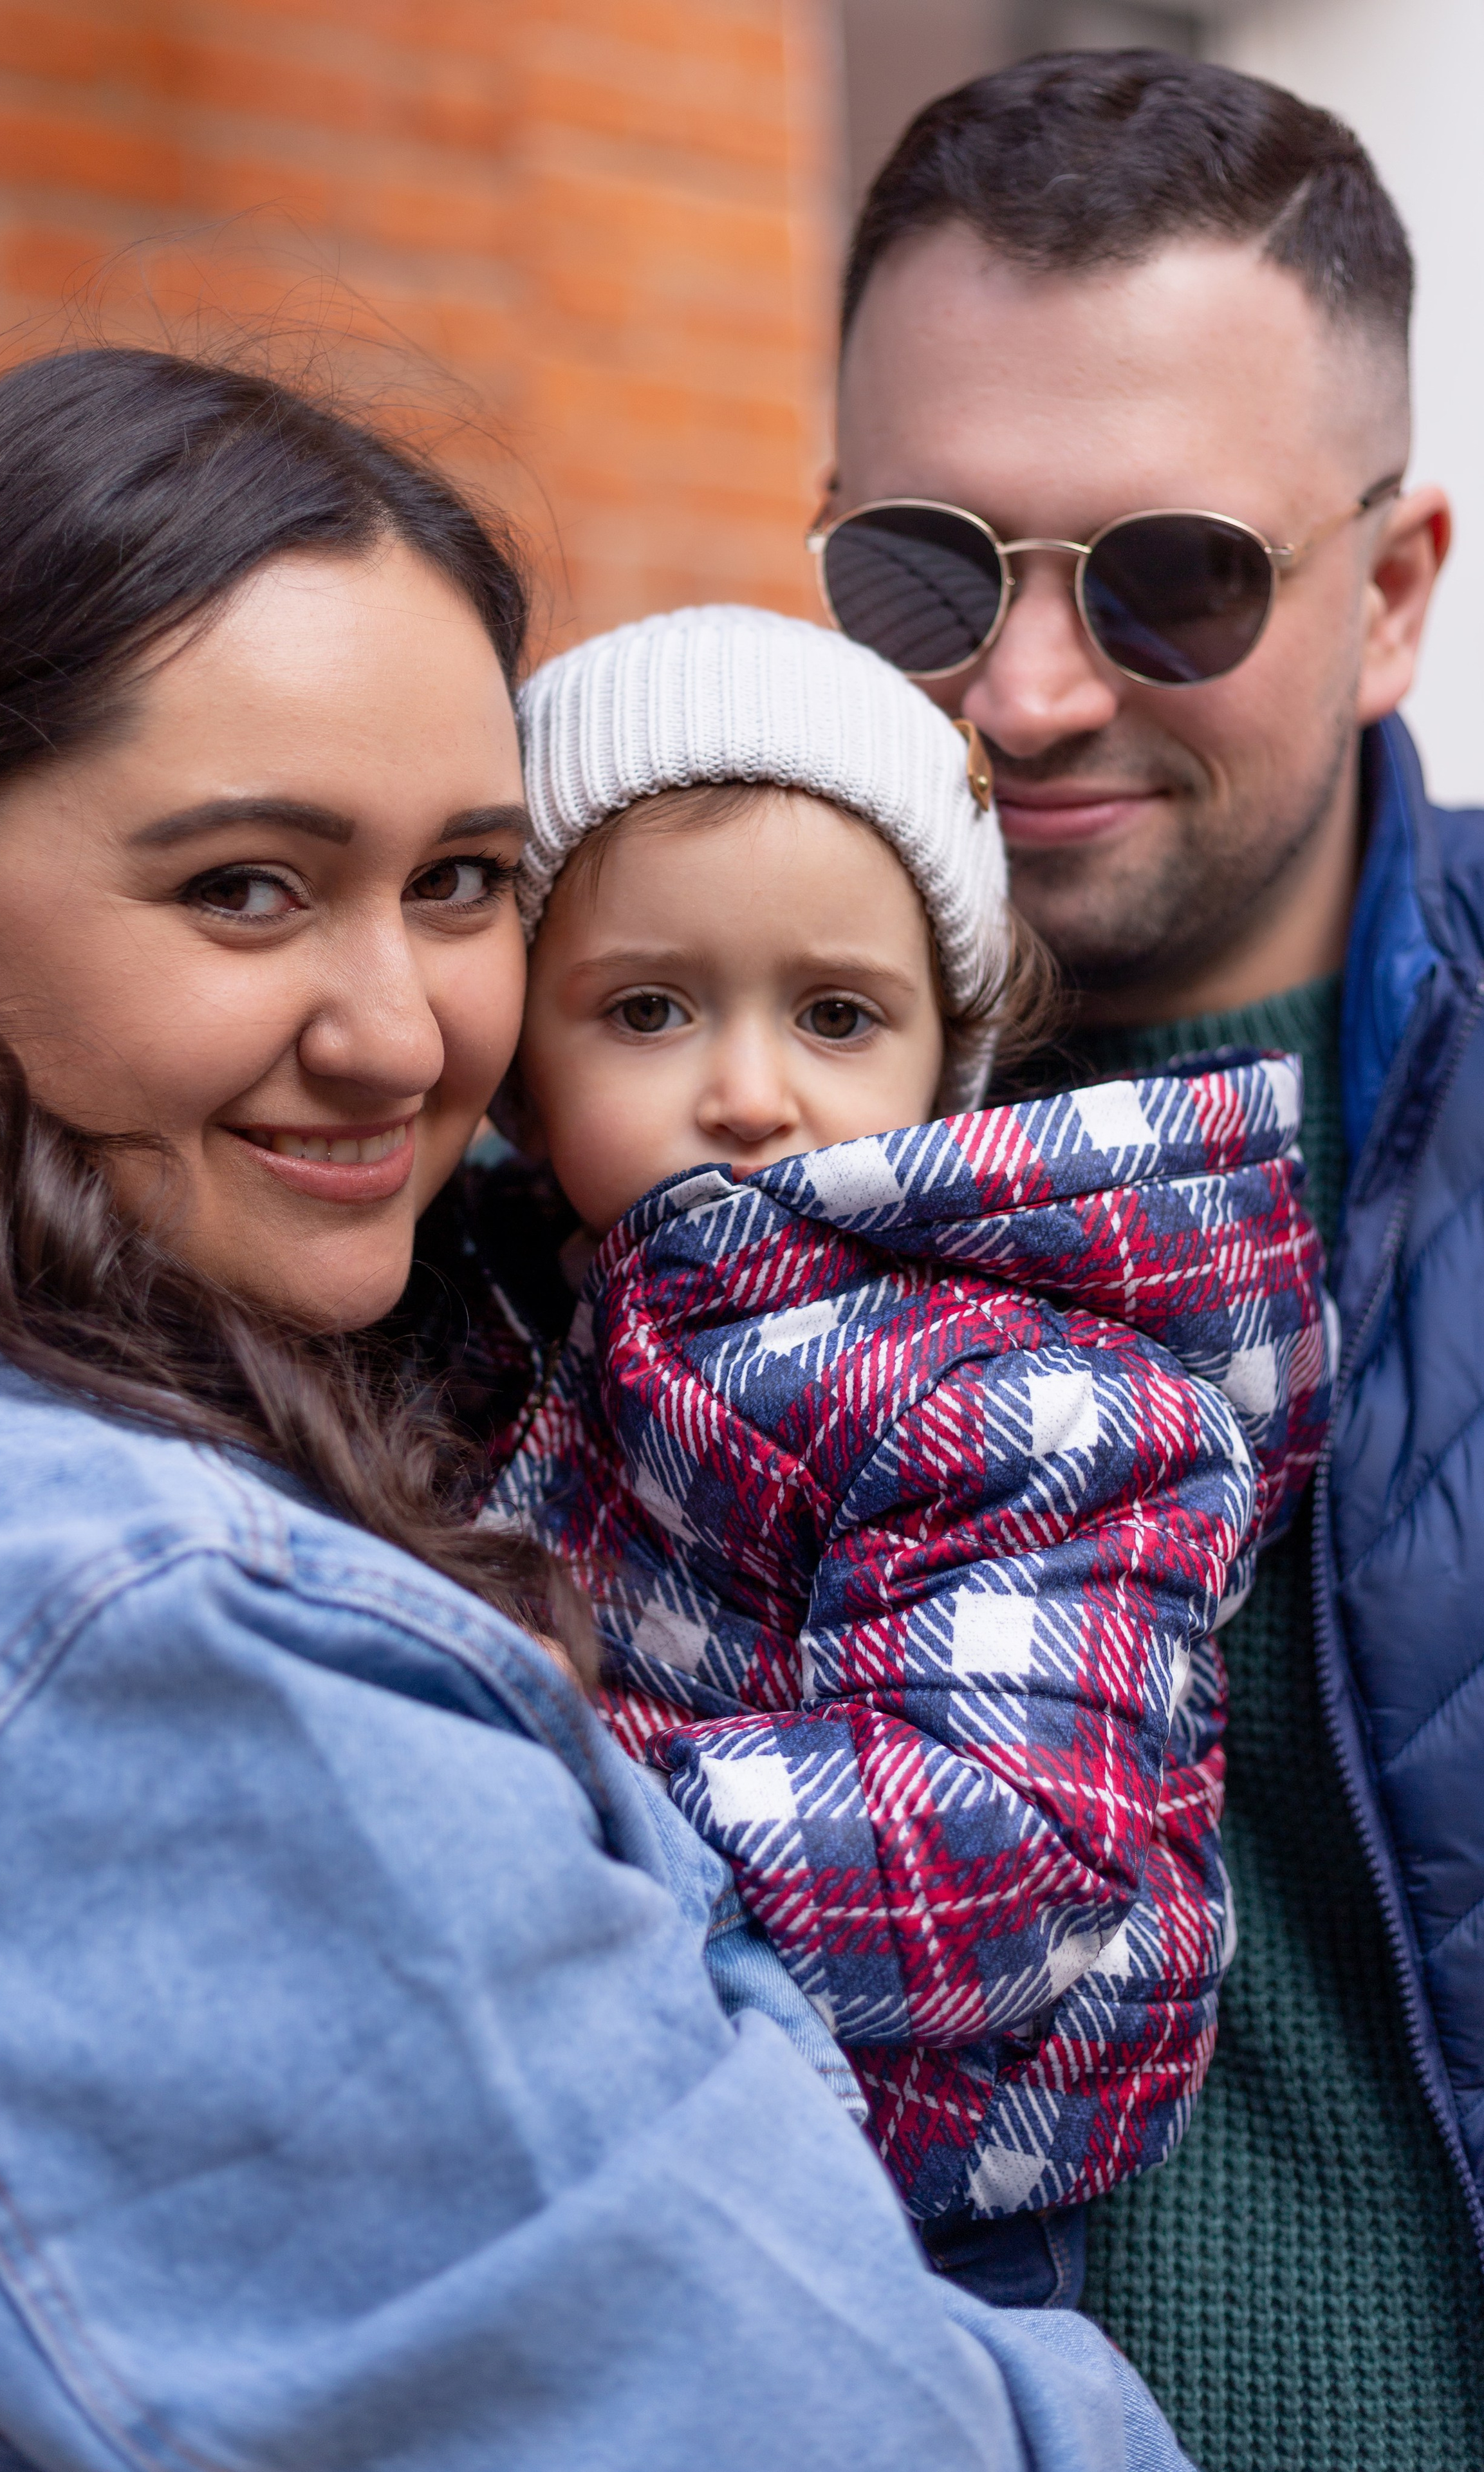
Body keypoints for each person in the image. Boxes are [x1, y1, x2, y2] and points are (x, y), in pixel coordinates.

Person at [0, 341, 1197, 2472]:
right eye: (244, 887)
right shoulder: (118, 1625)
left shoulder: (266, 1361)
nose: (397, 1033)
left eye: (463, 881)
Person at [818, 45, 1484, 2471]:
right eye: (921, 569)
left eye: (1172, 577)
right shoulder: (632, 1120)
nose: (1025, 694)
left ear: (1394, 593)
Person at [480, 598, 1331, 2304]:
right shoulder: (531, 1310)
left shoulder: (1020, 1394)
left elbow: (1012, 1835)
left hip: (926, 2203)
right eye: (648, 1009)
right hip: (652, 2101)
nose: (749, 1090)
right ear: (515, 1066)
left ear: (953, 1057)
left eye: (838, 1017)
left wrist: (516, 1801)